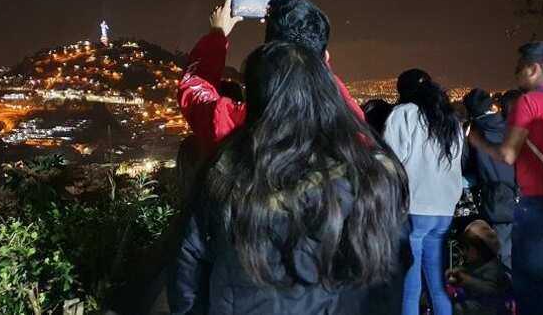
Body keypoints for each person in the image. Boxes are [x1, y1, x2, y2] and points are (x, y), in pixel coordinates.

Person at [168, 41, 409, 315]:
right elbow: (389, 274)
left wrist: (216, 36)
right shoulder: (368, 174)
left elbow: (189, 261)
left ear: (257, 97)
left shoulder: (226, 168)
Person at [467, 41, 543, 315]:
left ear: (535, 68)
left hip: (539, 205)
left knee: (528, 284)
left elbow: (507, 155)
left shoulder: (529, 101)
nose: (515, 73)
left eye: (519, 67)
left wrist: (478, 142)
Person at [178, 0, 364, 161]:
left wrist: (216, 36)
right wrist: (298, 15)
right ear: (325, 59)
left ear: (266, 61)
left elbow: (194, 90)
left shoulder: (243, 125)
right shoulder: (349, 122)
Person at [384, 69, 464, 315]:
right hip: (444, 210)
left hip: (415, 208)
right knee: (437, 285)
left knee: (410, 287)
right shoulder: (451, 120)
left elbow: (391, 163)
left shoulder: (403, 114)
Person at [462, 88, 516, 268]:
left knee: (503, 254)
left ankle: (510, 293)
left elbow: (465, 165)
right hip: (521, 196)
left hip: (495, 199)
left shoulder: (474, 133)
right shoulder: (511, 126)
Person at [446, 220, 511, 315]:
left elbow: (492, 289)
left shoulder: (493, 268)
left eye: (467, 248)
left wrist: (465, 280)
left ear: (480, 249)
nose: (464, 252)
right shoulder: (476, 264)